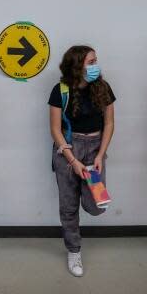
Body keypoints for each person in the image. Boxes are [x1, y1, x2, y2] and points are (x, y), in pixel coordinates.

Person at [48, 45, 115, 277]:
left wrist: (99, 155)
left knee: (97, 205)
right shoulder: (61, 90)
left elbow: (109, 123)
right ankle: (74, 250)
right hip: (68, 148)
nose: (95, 65)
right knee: (68, 206)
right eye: (90, 62)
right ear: (77, 66)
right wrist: (72, 160)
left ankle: (76, 240)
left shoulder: (102, 88)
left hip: (95, 148)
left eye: (96, 60)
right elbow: (55, 130)